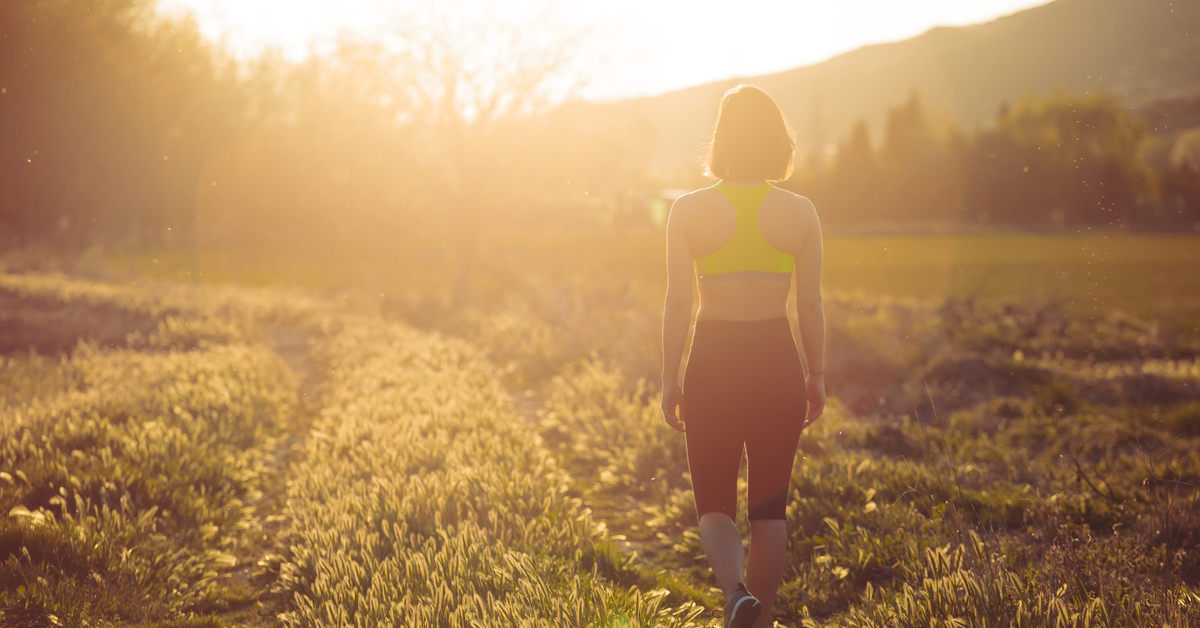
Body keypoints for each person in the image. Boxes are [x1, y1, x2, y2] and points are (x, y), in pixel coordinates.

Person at [660, 84, 826, 628]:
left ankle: (736, 595)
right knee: (770, 513)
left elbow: (678, 302)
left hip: (714, 361)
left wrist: (669, 378)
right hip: (778, 360)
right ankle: (761, 619)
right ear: (777, 140)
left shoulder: (689, 209)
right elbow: (809, 304)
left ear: (722, 139)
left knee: (714, 506)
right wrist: (817, 375)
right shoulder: (801, 212)